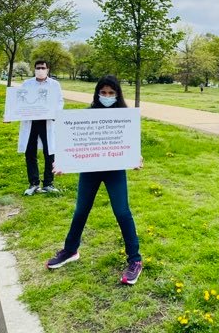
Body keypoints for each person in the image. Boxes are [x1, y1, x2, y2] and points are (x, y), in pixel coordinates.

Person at [46, 75, 143, 285]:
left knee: (122, 212)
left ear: (117, 95)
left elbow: (131, 146)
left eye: (111, 93)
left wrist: (136, 158)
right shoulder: (86, 116)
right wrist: (63, 163)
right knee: (81, 210)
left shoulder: (125, 117)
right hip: (89, 170)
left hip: (114, 170)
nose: (107, 96)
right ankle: (71, 250)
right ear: (97, 93)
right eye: (103, 93)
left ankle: (135, 260)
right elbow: (72, 144)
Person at [18, 60, 64, 195]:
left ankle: (48, 184)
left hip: (47, 121)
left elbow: (60, 101)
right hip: (31, 122)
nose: (40, 70)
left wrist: (56, 113)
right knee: (30, 152)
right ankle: (33, 183)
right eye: (38, 68)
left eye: (42, 68)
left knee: (49, 152)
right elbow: (20, 100)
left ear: (47, 69)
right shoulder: (27, 84)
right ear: (34, 69)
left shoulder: (54, 85)